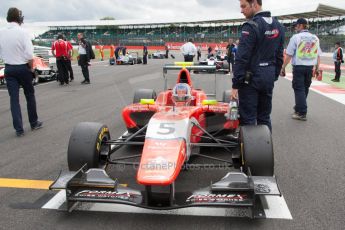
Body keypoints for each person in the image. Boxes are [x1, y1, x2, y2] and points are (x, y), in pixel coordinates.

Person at [231, 0, 285, 131]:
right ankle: (265, 150)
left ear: (254, 4)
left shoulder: (250, 26)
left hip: (251, 78)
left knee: (248, 118)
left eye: (244, 6)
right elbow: (279, 57)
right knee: (264, 117)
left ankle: (251, 151)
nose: (241, 10)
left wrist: (236, 84)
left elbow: (241, 58)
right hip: (268, 76)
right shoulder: (279, 26)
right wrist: (273, 75)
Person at [0, 7, 43, 137]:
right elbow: (30, 55)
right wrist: (31, 68)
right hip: (22, 67)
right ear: (19, 18)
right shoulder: (23, 32)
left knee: (14, 99)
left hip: (9, 67)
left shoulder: (1, 32)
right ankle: (33, 122)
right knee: (29, 95)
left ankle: (19, 129)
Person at [281, 18, 322, 121]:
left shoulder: (296, 37)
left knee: (299, 89)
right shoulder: (315, 38)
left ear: (300, 26)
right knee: (305, 88)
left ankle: (302, 112)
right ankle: (299, 108)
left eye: (296, 25)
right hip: (310, 68)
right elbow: (318, 56)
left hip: (299, 67)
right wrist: (317, 68)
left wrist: (283, 67)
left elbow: (289, 55)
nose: (295, 27)